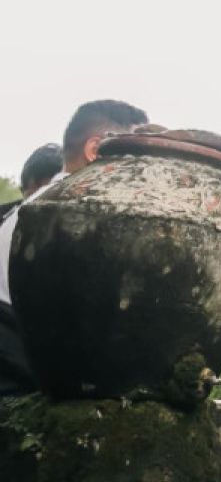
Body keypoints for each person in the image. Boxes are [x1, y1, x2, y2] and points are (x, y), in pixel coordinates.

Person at [0, 100, 148, 396]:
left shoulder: (34, 206)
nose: (143, 169)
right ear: (95, 150)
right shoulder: (69, 214)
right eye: (137, 154)